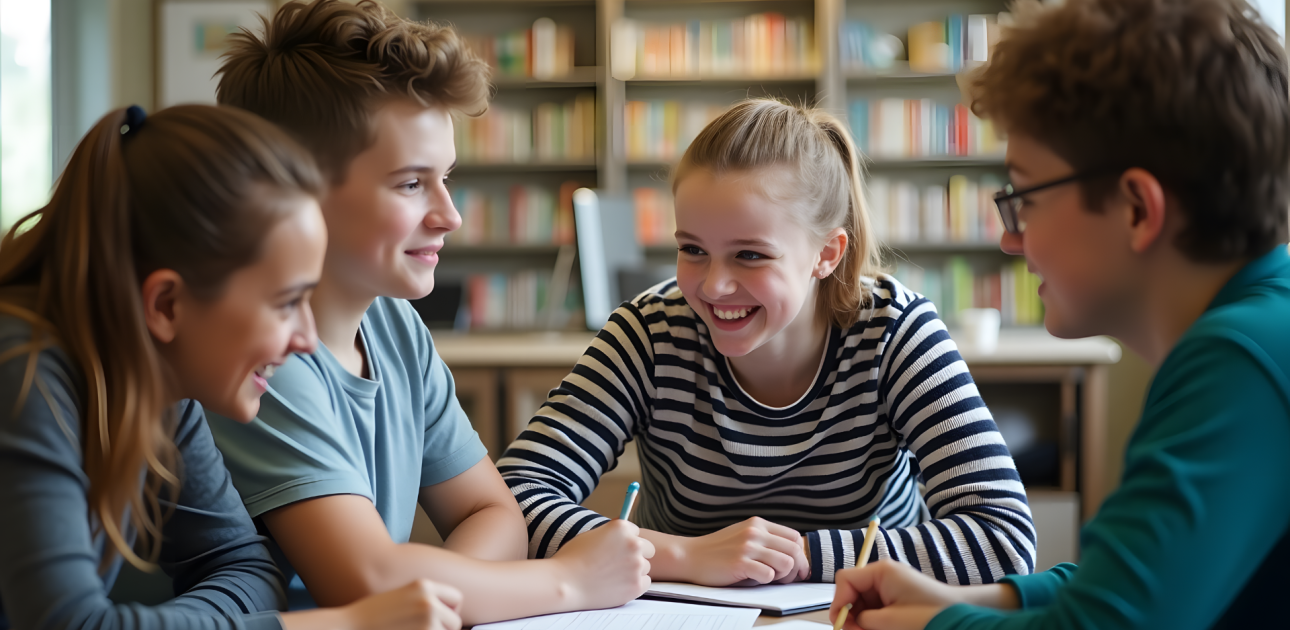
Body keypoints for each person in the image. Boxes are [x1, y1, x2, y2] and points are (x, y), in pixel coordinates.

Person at [826, 0, 1290, 628]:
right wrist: (979, 600)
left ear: (1136, 209)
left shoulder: (1237, 360)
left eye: (1025, 199)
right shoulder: (1263, 329)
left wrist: (931, 626)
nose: (1009, 240)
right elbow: (1136, 581)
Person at [205, 0, 653, 624]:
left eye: (445, 178)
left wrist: (435, 594)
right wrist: (568, 582)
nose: (451, 215)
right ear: (294, 190)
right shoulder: (264, 356)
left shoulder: (394, 326)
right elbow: (364, 582)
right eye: (412, 183)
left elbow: (492, 515)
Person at [497, 98, 1037, 587]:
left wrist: (801, 556)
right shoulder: (648, 333)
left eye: (750, 255)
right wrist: (683, 556)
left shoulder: (895, 331)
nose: (713, 286)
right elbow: (511, 500)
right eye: (692, 249)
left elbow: (1004, 540)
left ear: (827, 254)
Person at [0, 104, 463, 630]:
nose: (306, 338)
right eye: (286, 303)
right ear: (167, 306)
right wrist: (348, 625)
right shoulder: (24, 371)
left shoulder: (166, 392)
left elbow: (245, 570)